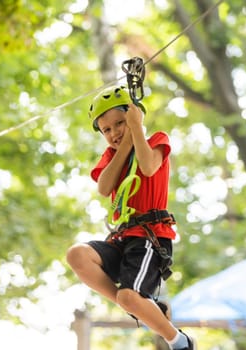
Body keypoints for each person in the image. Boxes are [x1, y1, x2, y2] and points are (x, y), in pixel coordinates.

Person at [66, 85, 194, 350]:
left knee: (128, 295)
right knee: (76, 255)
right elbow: (104, 187)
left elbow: (148, 167)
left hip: (150, 238)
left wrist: (136, 131)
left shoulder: (156, 140)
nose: (114, 133)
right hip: (123, 238)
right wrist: (124, 144)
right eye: (107, 130)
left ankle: (179, 341)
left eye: (120, 123)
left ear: (135, 118)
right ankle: (141, 306)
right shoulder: (111, 156)